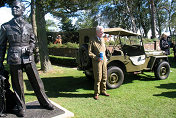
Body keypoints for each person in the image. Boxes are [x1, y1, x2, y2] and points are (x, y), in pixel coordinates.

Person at [0, 1, 54, 117]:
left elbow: (33, 41)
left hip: (28, 57)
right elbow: (2, 46)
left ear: (23, 10)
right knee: (17, 84)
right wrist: (0, 61)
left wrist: (31, 48)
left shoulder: (29, 26)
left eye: (17, 7)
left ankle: (45, 102)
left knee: (37, 82)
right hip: (14, 58)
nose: (14, 9)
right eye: (12, 7)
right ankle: (21, 107)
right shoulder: (6, 26)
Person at [88, 26, 110, 100]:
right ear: (97, 32)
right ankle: (96, 93)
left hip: (104, 60)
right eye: (101, 32)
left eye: (103, 32)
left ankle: (103, 91)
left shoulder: (103, 39)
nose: (102, 33)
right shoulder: (92, 40)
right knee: (98, 77)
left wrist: (106, 57)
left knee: (104, 76)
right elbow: (89, 52)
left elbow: (104, 49)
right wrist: (97, 58)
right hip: (97, 61)